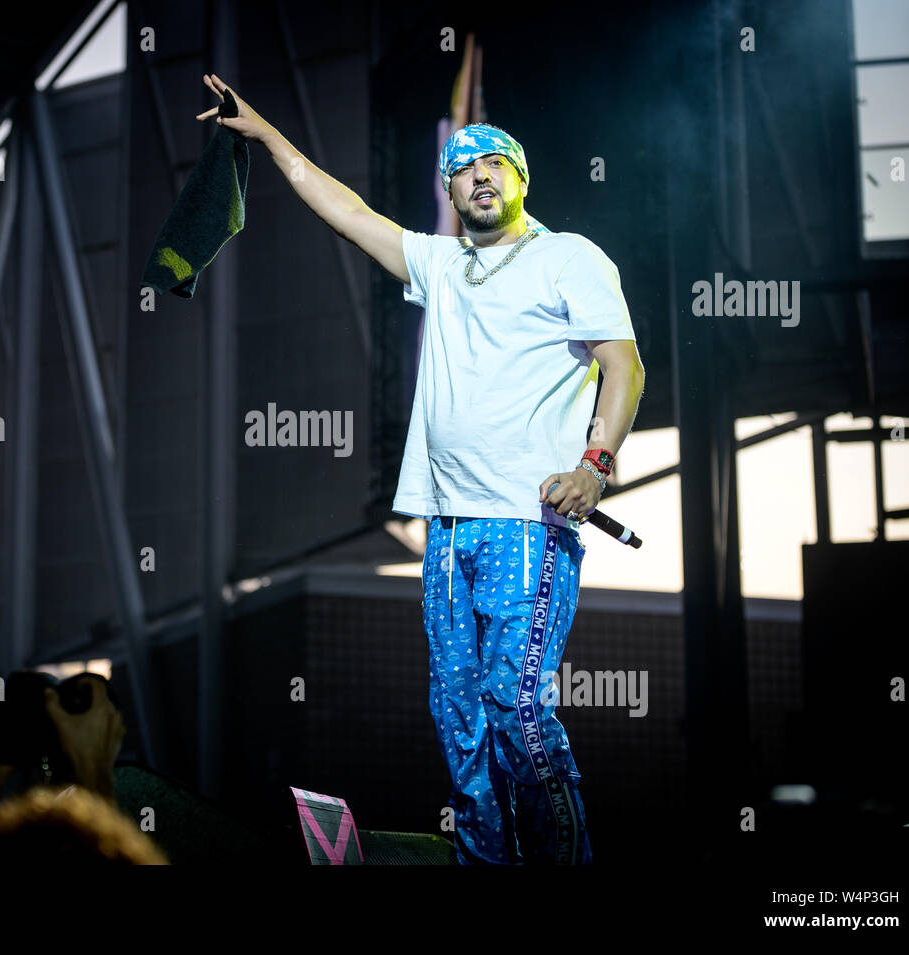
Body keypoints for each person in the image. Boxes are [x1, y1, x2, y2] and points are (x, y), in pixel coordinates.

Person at [197, 75, 645, 864]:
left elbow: (625, 364)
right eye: (461, 168)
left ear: (518, 178)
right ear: (449, 189)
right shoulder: (439, 266)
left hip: (526, 522)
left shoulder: (569, 259)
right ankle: (483, 859)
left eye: (492, 164)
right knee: (459, 714)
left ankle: (565, 860)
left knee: (519, 709)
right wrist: (267, 138)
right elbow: (348, 211)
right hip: (446, 529)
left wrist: (595, 464)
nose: (476, 174)